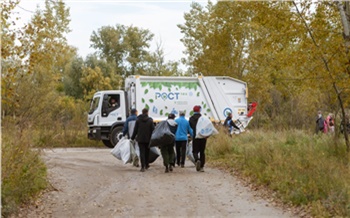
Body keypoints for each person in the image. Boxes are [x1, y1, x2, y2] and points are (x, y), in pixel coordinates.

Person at [131, 108, 154, 172]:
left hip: (140, 139)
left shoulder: (138, 120)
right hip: (148, 139)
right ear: (147, 112)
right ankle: (147, 164)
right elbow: (153, 130)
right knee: (147, 152)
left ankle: (143, 166)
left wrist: (132, 138)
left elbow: (135, 130)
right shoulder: (150, 120)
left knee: (142, 152)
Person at [189, 105, 207, 172]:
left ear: (193, 110)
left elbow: (190, 126)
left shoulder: (191, 118)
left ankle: (197, 159)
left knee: (195, 151)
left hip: (196, 136)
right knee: (202, 152)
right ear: (199, 110)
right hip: (203, 136)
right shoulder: (203, 118)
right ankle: (202, 167)